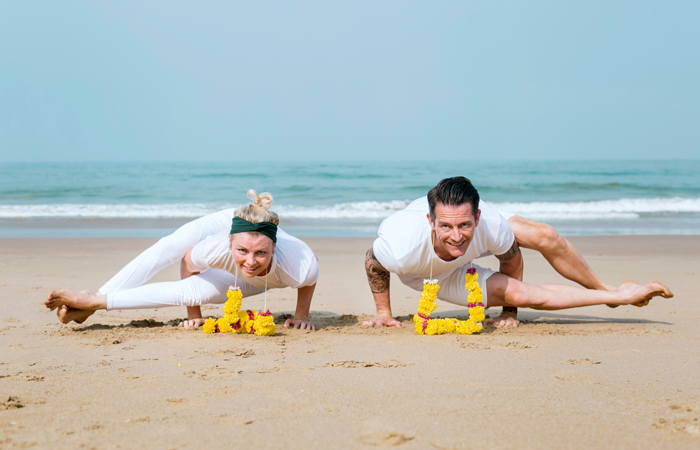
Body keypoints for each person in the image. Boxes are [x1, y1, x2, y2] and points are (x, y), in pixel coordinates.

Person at [361, 177, 672, 328]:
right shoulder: (402, 244)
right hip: (430, 276)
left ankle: (612, 291)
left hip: (486, 232)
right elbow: (373, 263)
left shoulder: (492, 225)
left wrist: (508, 314)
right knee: (524, 295)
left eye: (465, 225)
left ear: (478, 217)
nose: (456, 237)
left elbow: (511, 258)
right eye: (445, 227)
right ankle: (621, 296)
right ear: (431, 221)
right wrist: (384, 313)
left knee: (544, 235)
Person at [45, 191, 319, 331]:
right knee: (172, 247)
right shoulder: (214, 248)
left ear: (274, 247)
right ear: (229, 243)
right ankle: (94, 300)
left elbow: (309, 280)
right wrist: (194, 315)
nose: (250, 261)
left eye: (261, 253)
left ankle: (92, 300)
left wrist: (301, 316)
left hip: (262, 255)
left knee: (208, 291)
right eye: (242, 252)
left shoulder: (298, 264)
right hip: (230, 223)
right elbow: (189, 263)